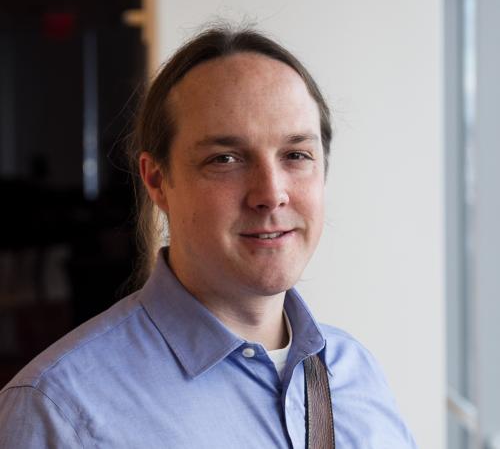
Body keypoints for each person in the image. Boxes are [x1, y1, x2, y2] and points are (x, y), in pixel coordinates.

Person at [0, 25, 417, 448]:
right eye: (226, 159)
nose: (271, 193)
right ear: (157, 180)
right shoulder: (57, 411)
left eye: (296, 155)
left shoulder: (355, 372)